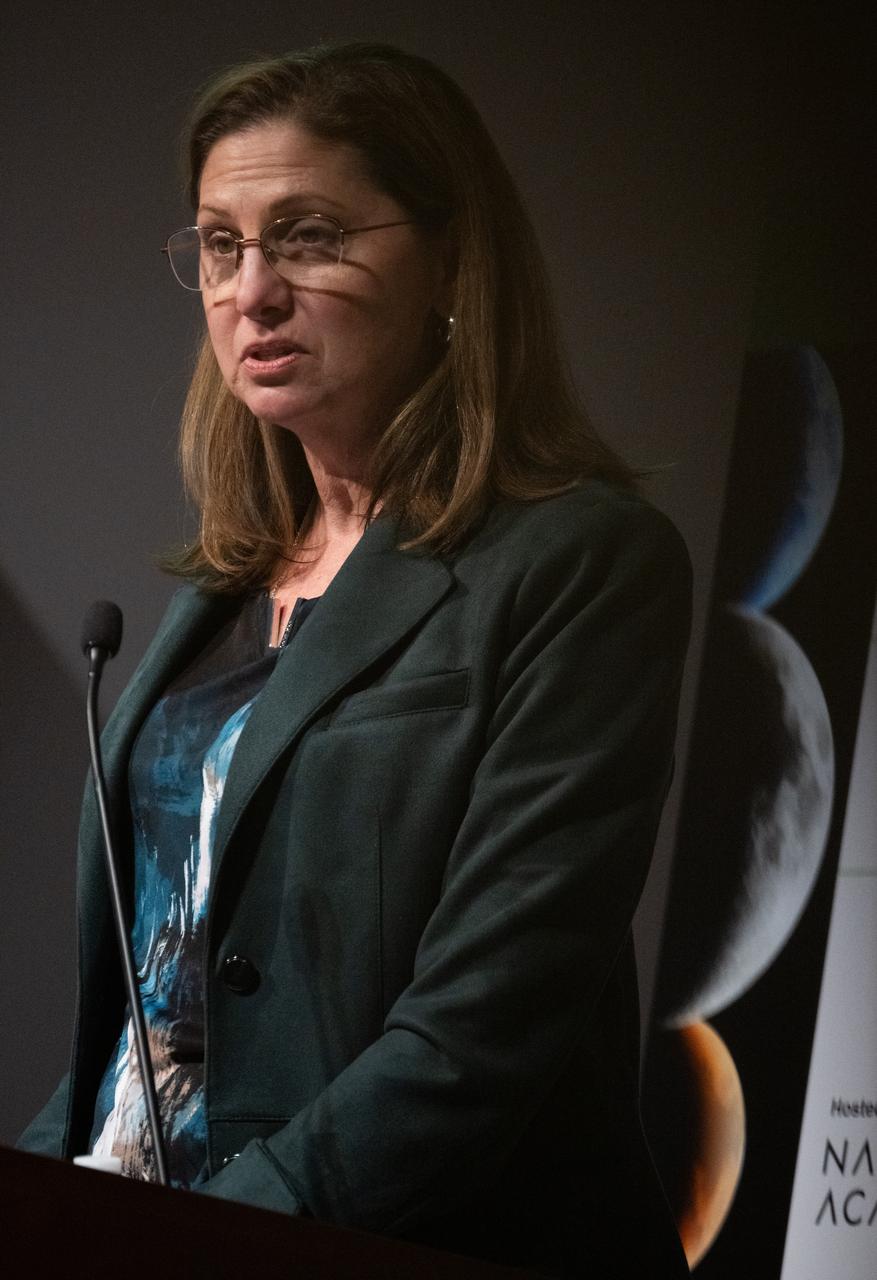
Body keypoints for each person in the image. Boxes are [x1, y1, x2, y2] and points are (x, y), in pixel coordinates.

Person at [18, 42, 692, 1276]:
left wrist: (220, 1230)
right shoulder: (225, 585)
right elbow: (157, 998)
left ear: (447, 261)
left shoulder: (577, 562)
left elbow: (482, 1029)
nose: (251, 290)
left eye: (309, 235)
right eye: (220, 246)